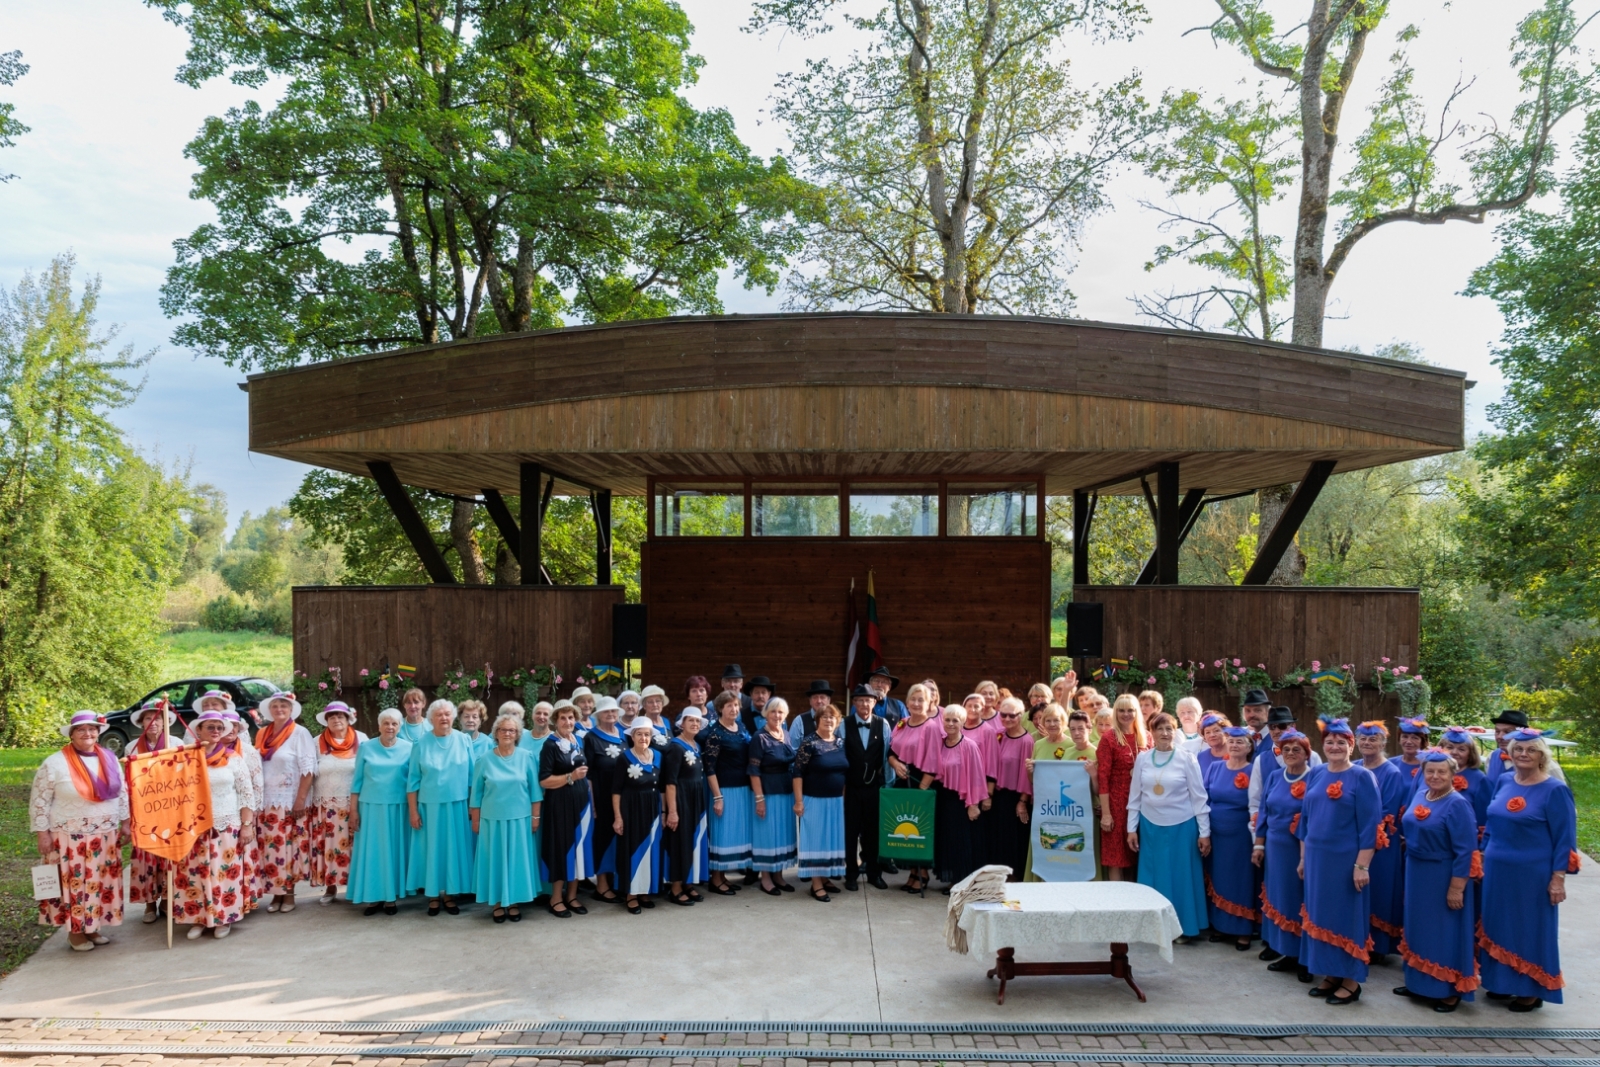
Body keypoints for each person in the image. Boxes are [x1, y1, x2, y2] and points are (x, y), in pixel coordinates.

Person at [1478, 728, 1577, 1011]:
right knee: (1499, 925)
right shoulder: (1505, 780)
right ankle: (1503, 982)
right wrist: (1483, 854)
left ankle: (1530, 988)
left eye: (1530, 750)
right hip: (1497, 870)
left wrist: (1558, 879)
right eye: (1518, 750)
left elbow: (1564, 839)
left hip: (1532, 874)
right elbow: (1492, 821)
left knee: (1529, 929)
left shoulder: (1555, 790)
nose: (1523, 755)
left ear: (1542, 756)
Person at [1297, 719, 1381, 1005]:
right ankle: (1331, 973)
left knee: (1346, 917)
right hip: (1318, 859)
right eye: (1330, 742)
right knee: (1322, 915)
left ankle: (1351, 980)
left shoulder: (1362, 777)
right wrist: (1303, 858)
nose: (1335, 747)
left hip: (1345, 861)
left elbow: (1370, 826)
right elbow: (1305, 820)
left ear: (1351, 745)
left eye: (1341, 742)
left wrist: (1362, 865)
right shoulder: (1316, 774)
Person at [32, 712, 128, 952]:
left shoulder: (110, 758)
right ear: (72, 734)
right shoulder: (54, 763)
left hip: (104, 834)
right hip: (69, 836)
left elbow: (122, 792)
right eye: (82, 730)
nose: (88, 734)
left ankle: (93, 927)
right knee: (76, 884)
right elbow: (40, 800)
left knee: (98, 882)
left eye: (93, 729)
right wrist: (42, 833)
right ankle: (75, 932)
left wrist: (125, 822)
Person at [1396, 750, 1479, 1012]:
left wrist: (1457, 887)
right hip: (1416, 871)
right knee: (1418, 928)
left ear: (1453, 774)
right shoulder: (1422, 794)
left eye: (1441, 771)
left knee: (1444, 932)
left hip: (1442, 874)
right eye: (1429, 771)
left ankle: (1448, 989)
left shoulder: (1457, 804)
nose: (1435, 776)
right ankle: (1419, 981)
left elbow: (1466, 850)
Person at [1126, 711, 1210, 941]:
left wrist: (1205, 832)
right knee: (1154, 877)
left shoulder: (1186, 758)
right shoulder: (1143, 758)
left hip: (1182, 827)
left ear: (1176, 732)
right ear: (1151, 733)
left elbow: (1199, 797)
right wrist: (1131, 829)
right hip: (1150, 827)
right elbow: (1135, 797)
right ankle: (1154, 929)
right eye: (1159, 729)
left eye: (1169, 728)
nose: (1165, 733)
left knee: (1181, 877)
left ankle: (1184, 928)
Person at [175, 709, 256, 939]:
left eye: (220, 728)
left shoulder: (233, 758)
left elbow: (246, 793)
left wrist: (247, 824)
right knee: (195, 872)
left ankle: (222, 917)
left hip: (226, 825)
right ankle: (199, 918)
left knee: (222, 873)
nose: (216, 731)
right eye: (210, 727)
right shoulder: (185, 758)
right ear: (198, 730)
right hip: (192, 827)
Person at [469, 713, 543, 923]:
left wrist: (535, 817)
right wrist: (475, 820)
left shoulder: (526, 756)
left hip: (520, 819)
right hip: (492, 820)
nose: (507, 733)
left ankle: (514, 901)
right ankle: (499, 902)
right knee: (496, 860)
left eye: (512, 730)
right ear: (496, 733)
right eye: (503, 730)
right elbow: (476, 794)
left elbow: (535, 792)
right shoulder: (484, 759)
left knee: (516, 861)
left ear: (518, 734)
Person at [405, 699, 476, 916]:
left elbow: (473, 777)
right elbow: (413, 781)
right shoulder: (420, 743)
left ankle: (450, 894)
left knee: (453, 850)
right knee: (432, 851)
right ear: (431, 718)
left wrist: (474, 808)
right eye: (439, 715)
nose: (444, 718)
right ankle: (434, 895)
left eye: (447, 714)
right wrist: (413, 811)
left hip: (458, 805)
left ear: (453, 717)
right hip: (430, 807)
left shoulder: (464, 740)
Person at [1256, 727, 1314, 980]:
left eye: (1296, 749)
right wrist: (1258, 845)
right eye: (1285, 749)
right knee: (1280, 898)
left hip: (1299, 849)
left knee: (1299, 899)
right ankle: (1288, 952)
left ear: (1307, 754)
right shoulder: (1275, 776)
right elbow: (1263, 812)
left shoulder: (1315, 778)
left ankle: (1306, 959)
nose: (1290, 753)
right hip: (1274, 847)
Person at [255, 693, 318, 914]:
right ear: (269, 710)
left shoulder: (300, 733)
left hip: (289, 801)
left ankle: (289, 893)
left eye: (283, 705)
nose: (279, 709)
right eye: (275, 705)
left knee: (288, 848)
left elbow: (308, 770)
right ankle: (276, 893)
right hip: (267, 801)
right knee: (271, 849)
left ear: (291, 710)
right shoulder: (263, 733)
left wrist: (300, 800)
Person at [347, 708, 413, 915]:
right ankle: (373, 898)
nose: (390, 727)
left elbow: (413, 782)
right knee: (373, 853)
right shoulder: (366, 747)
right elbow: (356, 782)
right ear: (379, 726)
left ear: (400, 726)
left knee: (393, 853)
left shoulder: (410, 748)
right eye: (386, 723)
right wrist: (354, 811)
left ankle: (391, 898)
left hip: (398, 808)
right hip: (370, 808)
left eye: (394, 723)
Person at [1023, 706, 1098, 882]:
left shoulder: (1073, 745)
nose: (1052, 724)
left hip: (1078, 810)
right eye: (1047, 720)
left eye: (1056, 720)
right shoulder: (1039, 745)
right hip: (1049, 808)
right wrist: (1030, 770)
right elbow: (1036, 779)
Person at [1356, 720, 1409, 960]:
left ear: (1383, 742)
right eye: (1363, 738)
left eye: (1373, 739)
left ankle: (1378, 946)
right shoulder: (1355, 767)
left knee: (1379, 890)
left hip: (1381, 844)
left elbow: (1387, 812)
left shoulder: (1391, 773)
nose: (1367, 743)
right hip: (1354, 840)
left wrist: (1370, 841)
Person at [1204, 725, 1260, 950]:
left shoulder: (1253, 770)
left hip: (1241, 836)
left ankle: (1243, 930)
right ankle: (1220, 925)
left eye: (1240, 742)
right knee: (1219, 877)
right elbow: (1204, 798)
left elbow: (1257, 804)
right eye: (1232, 741)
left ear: (1249, 747)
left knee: (1241, 880)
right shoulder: (1215, 768)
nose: (1235, 745)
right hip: (1216, 833)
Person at [125, 700, 179, 924]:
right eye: (148, 718)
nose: (153, 723)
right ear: (141, 722)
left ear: (166, 721)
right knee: (147, 856)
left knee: (168, 856)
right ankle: (149, 903)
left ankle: (167, 900)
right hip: (144, 808)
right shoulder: (132, 748)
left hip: (172, 808)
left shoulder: (175, 743)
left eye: (158, 718)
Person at [310, 701, 368, 905]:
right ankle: (330, 887)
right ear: (326, 720)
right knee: (329, 848)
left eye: (340, 716)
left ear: (348, 719)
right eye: (331, 716)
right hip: (325, 807)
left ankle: (356, 887)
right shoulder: (316, 742)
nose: (336, 719)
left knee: (355, 847)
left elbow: (367, 770)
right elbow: (309, 772)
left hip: (354, 805)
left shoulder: (361, 739)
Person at [537, 704, 592, 917]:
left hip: (581, 805)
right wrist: (570, 777)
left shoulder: (579, 740)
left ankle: (572, 895)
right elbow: (544, 780)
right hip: (559, 805)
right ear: (555, 721)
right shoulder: (549, 746)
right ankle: (556, 898)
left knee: (578, 849)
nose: (568, 722)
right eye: (563, 718)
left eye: (571, 718)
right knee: (561, 849)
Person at [928, 705, 989, 890]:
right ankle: (951, 878)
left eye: (956, 720)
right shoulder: (939, 743)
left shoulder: (969, 746)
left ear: (963, 722)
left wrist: (973, 804)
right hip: (941, 798)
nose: (951, 723)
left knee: (960, 841)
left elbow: (977, 777)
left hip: (960, 801)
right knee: (945, 839)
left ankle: (961, 881)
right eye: (947, 719)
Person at [888, 683, 942, 893]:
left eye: (922, 700)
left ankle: (923, 873)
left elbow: (934, 761)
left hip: (921, 784)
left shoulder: (932, 727)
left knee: (921, 828)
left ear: (929, 703)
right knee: (906, 828)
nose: (917, 703)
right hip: (902, 781)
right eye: (914, 699)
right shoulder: (901, 723)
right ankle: (912, 871)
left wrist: (921, 790)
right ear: (907, 702)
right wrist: (894, 763)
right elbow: (890, 751)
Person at [839, 683, 892, 890]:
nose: (864, 704)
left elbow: (887, 757)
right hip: (851, 787)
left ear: (875, 702)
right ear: (854, 703)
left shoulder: (883, 724)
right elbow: (840, 755)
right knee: (850, 833)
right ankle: (850, 874)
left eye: (868, 700)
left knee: (873, 833)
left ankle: (874, 873)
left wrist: (887, 785)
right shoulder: (844, 724)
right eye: (860, 700)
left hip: (874, 788)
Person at [793, 704, 848, 902]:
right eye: (824, 717)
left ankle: (825, 878)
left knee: (829, 840)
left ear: (837, 721)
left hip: (835, 802)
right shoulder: (809, 743)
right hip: (813, 801)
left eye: (832, 717)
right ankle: (816, 884)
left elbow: (843, 771)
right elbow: (797, 773)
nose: (828, 720)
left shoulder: (840, 742)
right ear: (817, 720)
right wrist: (798, 802)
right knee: (815, 841)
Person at [702, 690, 753, 893]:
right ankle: (716, 878)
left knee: (733, 834)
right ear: (720, 709)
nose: (733, 709)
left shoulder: (740, 726)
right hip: (724, 790)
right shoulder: (716, 733)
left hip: (742, 789)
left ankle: (723, 876)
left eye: (736, 705)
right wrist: (718, 797)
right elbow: (709, 767)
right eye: (729, 705)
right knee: (721, 834)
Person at [612, 718, 664, 913]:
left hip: (653, 811)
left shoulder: (658, 756)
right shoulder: (624, 758)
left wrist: (665, 812)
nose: (644, 737)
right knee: (632, 850)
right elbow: (616, 790)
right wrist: (618, 817)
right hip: (631, 811)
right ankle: (631, 894)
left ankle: (645, 891)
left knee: (651, 850)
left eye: (647, 734)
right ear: (632, 736)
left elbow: (662, 787)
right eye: (640, 734)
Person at [581, 696, 628, 904]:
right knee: (603, 839)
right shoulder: (591, 738)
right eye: (607, 712)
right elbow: (588, 774)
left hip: (624, 798)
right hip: (601, 797)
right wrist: (592, 803)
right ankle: (601, 886)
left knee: (620, 839)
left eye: (614, 711)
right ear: (598, 715)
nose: (611, 714)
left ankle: (615, 881)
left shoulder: (624, 735)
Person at [660, 707, 709, 905]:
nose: (695, 724)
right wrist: (672, 811)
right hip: (681, 800)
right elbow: (669, 782)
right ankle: (676, 887)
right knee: (680, 842)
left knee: (692, 841)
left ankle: (688, 882)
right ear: (682, 723)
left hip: (696, 799)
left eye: (698, 721)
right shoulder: (675, 747)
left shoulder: (696, 744)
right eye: (691, 721)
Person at [748, 697, 797, 893]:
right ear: (766, 714)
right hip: (767, 793)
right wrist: (759, 799)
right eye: (773, 712)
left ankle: (778, 875)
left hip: (786, 792)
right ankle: (766, 877)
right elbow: (753, 770)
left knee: (782, 834)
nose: (777, 716)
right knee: (767, 835)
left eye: (781, 712)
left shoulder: (785, 734)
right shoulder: (759, 738)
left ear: (785, 715)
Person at [1097, 694, 1148, 880]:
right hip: (1117, 804)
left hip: (1144, 803)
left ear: (1137, 712)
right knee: (1116, 858)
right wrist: (1107, 813)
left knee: (1139, 853)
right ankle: (1117, 903)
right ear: (1115, 712)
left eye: (1130, 710)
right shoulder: (1109, 738)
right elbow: (1103, 778)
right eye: (1121, 710)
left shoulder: (1147, 737)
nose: (1126, 714)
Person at [1248, 706, 1323, 826]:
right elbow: (1255, 801)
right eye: (1272, 726)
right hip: (1272, 829)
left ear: (1293, 726)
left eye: (1282, 725)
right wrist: (1257, 834)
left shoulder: (1312, 757)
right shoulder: (1260, 760)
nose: (1277, 730)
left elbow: (1319, 795)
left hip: (1304, 826)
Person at [989, 697, 1034, 878]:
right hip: (997, 795)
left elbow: (1027, 775)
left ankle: (1014, 878)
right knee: (997, 839)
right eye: (1003, 715)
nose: (1007, 719)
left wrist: (1022, 801)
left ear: (1021, 716)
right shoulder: (999, 735)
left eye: (1012, 716)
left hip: (1016, 797)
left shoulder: (1027, 741)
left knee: (1013, 840)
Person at [1438, 726, 1492, 833]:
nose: (1454, 752)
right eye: (1450, 747)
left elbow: (1483, 818)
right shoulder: (1432, 773)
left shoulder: (1480, 779)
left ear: (1470, 754)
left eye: (1461, 749)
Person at [1485, 709, 1529, 788]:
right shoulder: (1492, 757)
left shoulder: (1542, 763)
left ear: (1523, 734)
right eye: (1497, 731)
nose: (1500, 737)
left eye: (1508, 732)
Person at [1239, 688, 1272, 758]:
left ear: (1268, 712)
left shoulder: (1276, 737)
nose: (1251, 715)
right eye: (1248, 711)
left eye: (1257, 710)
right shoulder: (1241, 735)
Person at [1396, 718, 1429, 784]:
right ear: (1399, 740)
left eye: (1414, 738)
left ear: (1422, 742)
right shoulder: (1391, 763)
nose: (1408, 742)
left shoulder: (1429, 765)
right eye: (1405, 737)